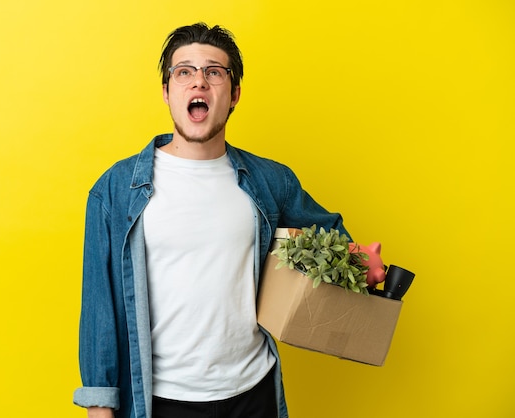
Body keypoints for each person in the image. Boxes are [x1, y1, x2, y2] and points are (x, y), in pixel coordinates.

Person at [73, 23, 351, 418]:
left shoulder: (271, 182)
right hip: (162, 401)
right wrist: (100, 408)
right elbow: (98, 307)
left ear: (234, 94)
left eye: (214, 72)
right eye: (183, 72)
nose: (198, 83)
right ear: (167, 92)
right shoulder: (116, 190)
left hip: (254, 394)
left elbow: (335, 241)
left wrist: (364, 268)